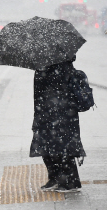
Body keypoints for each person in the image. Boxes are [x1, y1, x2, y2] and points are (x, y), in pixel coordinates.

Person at [30, 59, 85, 193]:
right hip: (45, 112)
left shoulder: (62, 66)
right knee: (45, 145)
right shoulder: (43, 66)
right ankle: (55, 178)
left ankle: (70, 182)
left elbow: (59, 90)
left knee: (62, 146)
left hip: (62, 112)